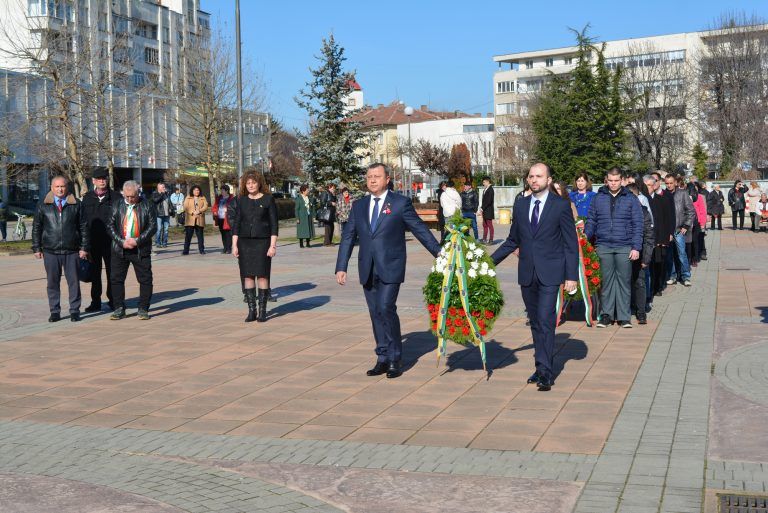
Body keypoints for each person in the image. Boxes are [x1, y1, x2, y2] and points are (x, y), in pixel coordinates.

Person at [335, 163, 441, 379]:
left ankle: (394, 358)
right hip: (367, 266)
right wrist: (341, 266)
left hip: (391, 265)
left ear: (387, 179)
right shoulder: (359, 205)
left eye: (377, 176)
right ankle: (382, 357)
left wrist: (439, 253)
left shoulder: (400, 203)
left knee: (385, 307)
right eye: (369, 177)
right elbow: (348, 236)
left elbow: (419, 229)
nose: (373, 180)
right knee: (375, 312)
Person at [492, 163, 578, 391]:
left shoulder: (560, 205)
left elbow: (570, 243)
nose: (534, 180)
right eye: (531, 176)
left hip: (551, 273)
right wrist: (488, 263)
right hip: (527, 274)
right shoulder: (521, 205)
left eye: (539, 176)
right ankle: (540, 367)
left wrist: (571, 276)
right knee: (536, 323)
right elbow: (512, 240)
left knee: (545, 320)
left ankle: (546, 373)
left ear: (549, 180)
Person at [585, 168, 643, 328]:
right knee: (606, 282)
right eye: (610, 180)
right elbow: (591, 221)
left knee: (624, 282)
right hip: (603, 245)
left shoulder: (631, 198)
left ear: (622, 180)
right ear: (606, 180)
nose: (613, 183)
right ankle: (606, 315)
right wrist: (584, 238)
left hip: (624, 246)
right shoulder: (598, 198)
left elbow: (638, 224)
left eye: (616, 180)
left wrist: (636, 247)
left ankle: (624, 317)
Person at [31, 176, 90, 322]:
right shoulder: (43, 205)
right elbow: (37, 227)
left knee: (74, 282)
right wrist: (37, 248)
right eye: (57, 186)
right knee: (52, 283)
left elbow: (84, 227)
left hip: (72, 250)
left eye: (62, 186)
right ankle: (55, 311)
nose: (60, 189)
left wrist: (84, 247)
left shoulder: (76, 204)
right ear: (52, 188)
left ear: (67, 187)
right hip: (50, 251)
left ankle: (75, 310)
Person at [232, 171, 278, 322]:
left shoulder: (268, 199)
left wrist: (272, 246)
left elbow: (274, 225)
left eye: (253, 183)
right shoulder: (242, 200)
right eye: (248, 183)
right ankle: (252, 311)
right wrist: (234, 245)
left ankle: (262, 311)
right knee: (248, 275)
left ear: (259, 184)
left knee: (262, 275)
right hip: (244, 243)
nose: (251, 185)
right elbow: (236, 224)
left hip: (263, 243)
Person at [107, 181, 156, 320]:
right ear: (123, 193)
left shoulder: (147, 205)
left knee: (145, 279)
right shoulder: (116, 204)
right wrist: (121, 241)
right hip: (120, 249)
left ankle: (143, 308)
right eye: (127, 196)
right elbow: (110, 225)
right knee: (116, 279)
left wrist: (137, 240)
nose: (129, 199)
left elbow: (152, 227)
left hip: (140, 249)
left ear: (138, 192)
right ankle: (119, 308)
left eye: (133, 196)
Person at [81, 168, 122, 312]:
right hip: (93, 242)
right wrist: (83, 244)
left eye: (104, 178)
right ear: (93, 181)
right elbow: (83, 221)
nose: (102, 181)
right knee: (95, 272)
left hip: (111, 242)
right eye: (99, 179)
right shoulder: (87, 198)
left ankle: (113, 301)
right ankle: (95, 301)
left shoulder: (116, 197)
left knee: (112, 272)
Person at [626, 183, 655, 325]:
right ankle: (626, 309)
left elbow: (649, 237)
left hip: (640, 253)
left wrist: (646, 258)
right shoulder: (622, 211)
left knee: (640, 282)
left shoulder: (644, 212)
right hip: (624, 252)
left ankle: (641, 312)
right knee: (625, 282)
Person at [643, 174, 675, 299]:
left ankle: (658, 286)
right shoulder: (641, 199)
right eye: (647, 185)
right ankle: (650, 288)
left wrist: (668, 235)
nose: (649, 188)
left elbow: (668, 219)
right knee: (648, 264)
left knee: (659, 262)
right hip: (648, 238)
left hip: (660, 237)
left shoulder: (662, 199)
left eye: (651, 185)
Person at [664, 174, 695, 287]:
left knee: (682, 254)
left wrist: (686, 226)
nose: (669, 185)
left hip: (678, 229)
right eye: (667, 183)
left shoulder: (682, 193)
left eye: (671, 183)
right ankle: (672, 276)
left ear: (675, 183)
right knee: (669, 255)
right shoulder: (664, 194)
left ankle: (686, 276)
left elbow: (691, 211)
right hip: (667, 230)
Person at [182, 185, 208, 255]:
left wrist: (199, 211)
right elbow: (185, 206)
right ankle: (186, 250)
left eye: (198, 190)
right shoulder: (188, 197)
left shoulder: (202, 197)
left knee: (200, 236)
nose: (197, 191)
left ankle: (202, 250)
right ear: (192, 191)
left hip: (200, 219)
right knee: (188, 236)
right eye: (195, 190)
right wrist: (192, 212)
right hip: (190, 220)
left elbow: (206, 206)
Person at [688, 183, 707, 265]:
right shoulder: (685, 196)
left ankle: (695, 258)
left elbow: (702, 211)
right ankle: (689, 258)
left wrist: (702, 223)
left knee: (695, 241)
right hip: (687, 222)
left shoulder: (699, 197)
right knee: (688, 242)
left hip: (697, 222)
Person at [212, 185, 234, 254]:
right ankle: (225, 248)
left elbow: (234, 207)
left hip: (227, 219)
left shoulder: (232, 198)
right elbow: (215, 206)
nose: (221, 191)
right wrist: (215, 211)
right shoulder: (219, 198)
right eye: (221, 190)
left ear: (227, 191)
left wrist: (228, 209)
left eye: (223, 190)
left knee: (228, 234)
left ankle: (229, 248)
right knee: (223, 234)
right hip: (220, 218)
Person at [151, 183, 173, 248]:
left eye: (164, 187)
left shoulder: (167, 193)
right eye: (162, 187)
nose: (164, 188)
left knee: (166, 229)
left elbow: (169, 202)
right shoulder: (155, 193)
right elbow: (155, 200)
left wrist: (172, 211)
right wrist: (162, 194)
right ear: (159, 188)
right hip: (159, 214)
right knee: (159, 229)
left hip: (167, 214)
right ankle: (157, 242)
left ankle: (164, 242)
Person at [479, 176, 495, 244]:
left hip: (488, 211)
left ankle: (491, 240)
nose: (483, 184)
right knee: (484, 225)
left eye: (484, 182)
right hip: (485, 210)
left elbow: (489, 201)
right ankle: (484, 239)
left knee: (490, 225)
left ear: (488, 181)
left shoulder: (490, 189)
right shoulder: (485, 189)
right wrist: (482, 208)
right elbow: (484, 201)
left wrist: (482, 208)